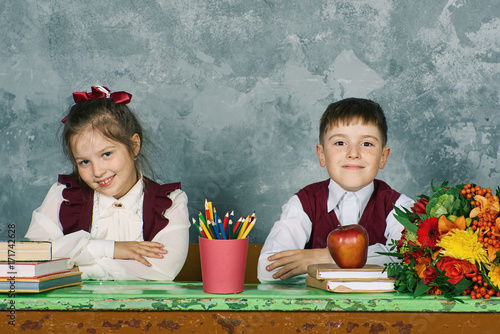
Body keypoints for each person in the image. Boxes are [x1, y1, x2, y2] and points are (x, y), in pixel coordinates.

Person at [25, 86, 189, 280]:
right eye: (84, 162)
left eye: (106, 154)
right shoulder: (63, 195)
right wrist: (111, 249)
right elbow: (32, 255)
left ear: (134, 146)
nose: (98, 171)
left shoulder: (170, 202)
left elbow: (162, 271)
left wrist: (73, 264)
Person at [257, 97, 414, 282]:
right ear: (322, 155)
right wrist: (374, 264)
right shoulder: (304, 203)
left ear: (383, 157)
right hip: (314, 310)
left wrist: (322, 258)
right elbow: (268, 271)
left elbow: (411, 262)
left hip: (382, 310)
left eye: (367, 144)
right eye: (340, 143)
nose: (353, 153)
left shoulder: (398, 205)